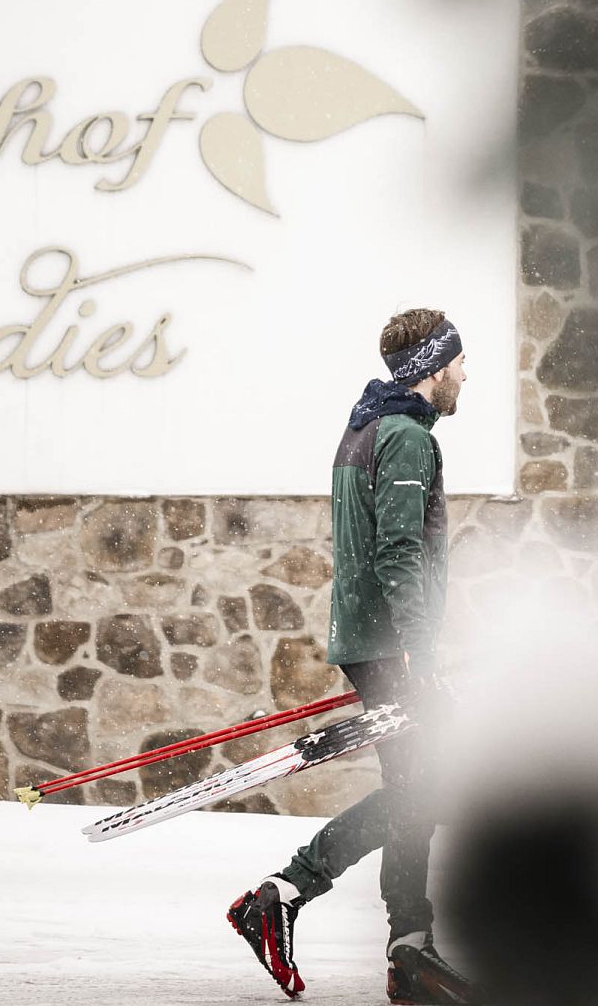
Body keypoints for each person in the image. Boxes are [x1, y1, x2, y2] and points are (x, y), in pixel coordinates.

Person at [227, 309, 481, 1003]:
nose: (465, 372)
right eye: (457, 360)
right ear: (431, 367)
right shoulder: (402, 437)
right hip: (390, 647)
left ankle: (407, 949)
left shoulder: (366, 427)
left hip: (375, 641)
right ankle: (287, 895)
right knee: (421, 791)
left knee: (417, 793)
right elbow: (398, 552)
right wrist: (417, 654)